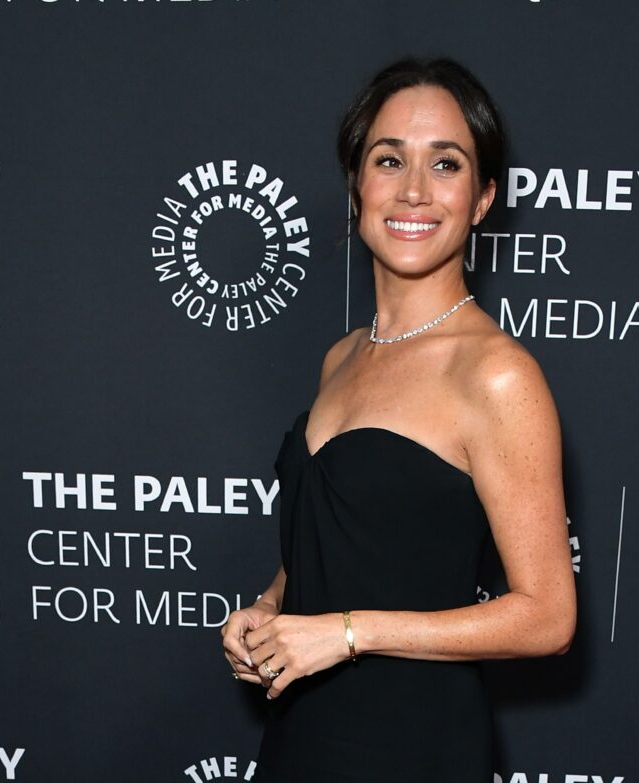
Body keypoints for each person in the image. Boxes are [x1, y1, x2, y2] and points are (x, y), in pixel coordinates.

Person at [221, 58, 576, 782]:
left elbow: (547, 617)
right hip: (303, 732)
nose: (414, 189)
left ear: (482, 198)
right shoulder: (343, 355)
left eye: (446, 164)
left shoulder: (498, 374)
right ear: (358, 185)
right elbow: (347, 542)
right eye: (389, 159)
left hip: (413, 745)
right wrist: (268, 605)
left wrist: (348, 634)